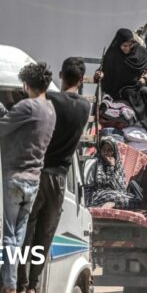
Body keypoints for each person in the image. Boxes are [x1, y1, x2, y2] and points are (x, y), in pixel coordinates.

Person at [16, 57, 90, 293]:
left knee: (25, 231)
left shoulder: (50, 99)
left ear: (61, 75)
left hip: (36, 174)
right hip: (58, 181)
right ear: (80, 79)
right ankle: (33, 285)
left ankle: (21, 284)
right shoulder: (85, 108)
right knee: (44, 237)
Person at [0, 63, 56, 293]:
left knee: (10, 235)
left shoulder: (27, 106)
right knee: (20, 235)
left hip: (15, 178)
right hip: (34, 179)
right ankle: (12, 282)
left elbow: (2, 128)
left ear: (26, 84)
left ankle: (10, 285)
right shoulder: (51, 110)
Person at [97, 28, 147, 136]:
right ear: (118, 44)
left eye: (130, 45)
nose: (127, 48)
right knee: (133, 95)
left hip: (139, 84)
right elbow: (103, 71)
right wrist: (99, 75)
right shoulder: (112, 56)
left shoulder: (139, 51)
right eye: (124, 46)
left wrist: (146, 77)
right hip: (121, 89)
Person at [84, 137, 138, 208]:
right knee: (120, 198)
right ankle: (106, 204)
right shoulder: (95, 162)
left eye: (109, 150)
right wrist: (110, 168)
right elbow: (98, 186)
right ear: (100, 150)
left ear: (114, 152)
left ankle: (111, 204)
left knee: (131, 199)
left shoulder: (117, 165)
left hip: (111, 193)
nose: (106, 153)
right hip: (94, 195)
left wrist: (112, 167)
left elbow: (120, 188)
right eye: (104, 150)